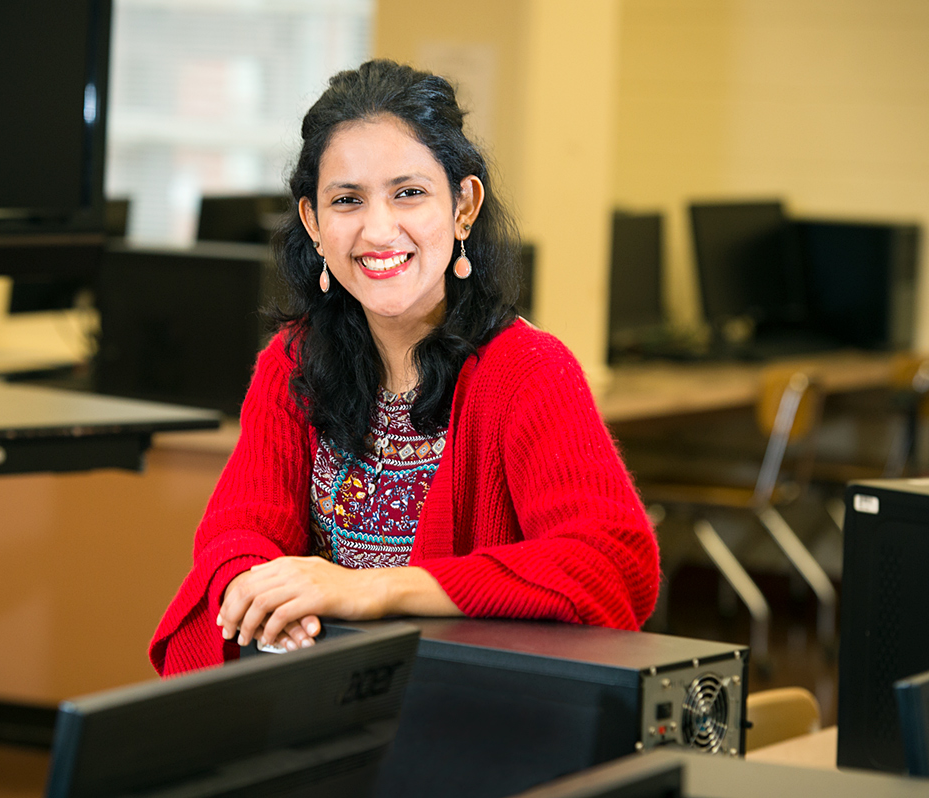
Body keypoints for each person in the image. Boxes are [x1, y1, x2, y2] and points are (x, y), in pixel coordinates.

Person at [149, 59, 659, 676]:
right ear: (313, 222)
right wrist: (262, 588)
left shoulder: (529, 371)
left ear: (463, 206)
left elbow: (611, 565)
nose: (379, 229)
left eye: (409, 193)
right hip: (325, 693)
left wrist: (379, 589)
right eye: (347, 200)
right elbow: (236, 533)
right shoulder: (290, 360)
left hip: (474, 712)